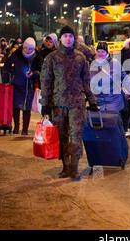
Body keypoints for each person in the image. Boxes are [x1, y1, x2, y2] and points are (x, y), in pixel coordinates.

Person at [40, 26, 99, 181]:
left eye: (70, 36)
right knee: (61, 136)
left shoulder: (81, 58)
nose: (68, 39)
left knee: (75, 135)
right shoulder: (51, 58)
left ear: (74, 38)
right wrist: (45, 103)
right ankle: (65, 167)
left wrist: (92, 100)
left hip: (77, 104)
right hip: (58, 104)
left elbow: (86, 81)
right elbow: (45, 82)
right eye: (65, 36)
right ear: (60, 38)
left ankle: (74, 167)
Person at [2, 37, 42, 135]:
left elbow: (41, 70)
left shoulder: (37, 56)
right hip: (17, 84)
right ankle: (16, 127)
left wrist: (33, 73)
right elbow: (6, 65)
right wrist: (13, 73)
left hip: (30, 86)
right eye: (25, 48)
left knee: (26, 108)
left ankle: (25, 129)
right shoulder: (17, 54)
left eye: (30, 49)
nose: (27, 50)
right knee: (16, 107)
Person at [90, 41, 130, 113]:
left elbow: (124, 76)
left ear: (107, 52)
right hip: (99, 102)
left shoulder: (115, 63)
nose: (100, 54)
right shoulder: (93, 64)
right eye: (98, 51)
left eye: (102, 51)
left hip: (113, 101)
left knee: (113, 122)